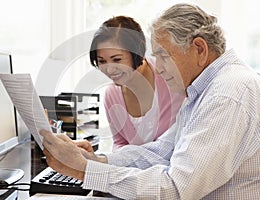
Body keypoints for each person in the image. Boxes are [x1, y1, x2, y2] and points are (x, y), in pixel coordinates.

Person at [40, 3, 260, 199]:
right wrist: (96, 161)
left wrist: (84, 171)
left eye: (164, 56)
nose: (159, 67)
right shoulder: (205, 91)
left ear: (199, 49)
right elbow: (162, 151)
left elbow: (175, 189)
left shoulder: (227, 94)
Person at [89, 16, 184, 150]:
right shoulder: (111, 95)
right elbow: (120, 144)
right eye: (102, 61)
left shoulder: (169, 77)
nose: (109, 69)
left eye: (116, 59)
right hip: (138, 170)